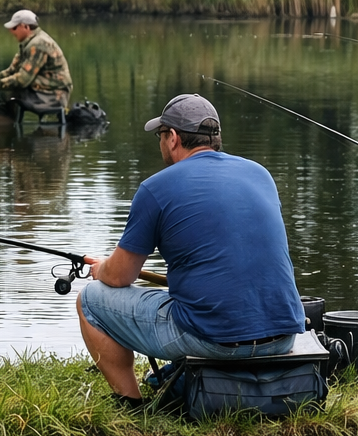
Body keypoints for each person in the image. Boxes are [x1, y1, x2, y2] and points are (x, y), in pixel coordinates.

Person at [79, 94, 306, 407]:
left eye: (161, 135)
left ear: (173, 138)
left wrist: (101, 267)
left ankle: (130, 404)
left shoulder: (155, 188)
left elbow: (119, 277)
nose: (160, 142)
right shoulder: (260, 174)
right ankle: (180, 378)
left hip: (214, 340)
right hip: (283, 338)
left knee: (90, 300)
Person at [0, 9, 73, 125]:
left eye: (14, 28)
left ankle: (4, 133)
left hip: (53, 96)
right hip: (42, 90)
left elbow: (23, 79)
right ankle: (8, 132)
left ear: (26, 27)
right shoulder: (29, 43)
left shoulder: (38, 44)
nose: (11, 31)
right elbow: (13, 70)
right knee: (0, 93)